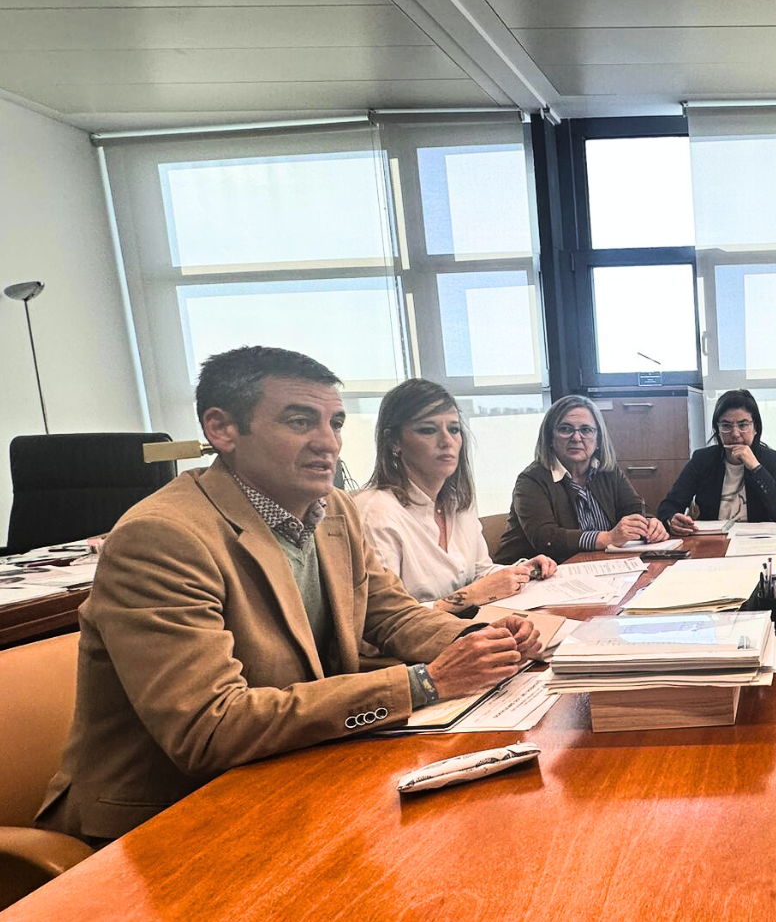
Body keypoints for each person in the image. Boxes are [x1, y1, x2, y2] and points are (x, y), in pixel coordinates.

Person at [38, 347, 541, 843]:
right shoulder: (162, 538)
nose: (329, 443)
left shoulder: (335, 512)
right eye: (301, 422)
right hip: (170, 821)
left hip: (295, 777)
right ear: (222, 430)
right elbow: (210, 730)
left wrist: (484, 638)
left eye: (336, 424)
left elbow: (390, 617)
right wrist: (423, 684)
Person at [353, 378, 556, 616]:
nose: (446, 441)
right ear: (393, 442)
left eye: (454, 429)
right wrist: (471, 596)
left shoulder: (458, 503)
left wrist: (519, 572)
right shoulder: (376, 513)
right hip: (410, 650)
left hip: (464, 630)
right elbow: (384, 621)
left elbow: (479, 573)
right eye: (428, 430)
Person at [495, 395, 667, 562]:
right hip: (530, 577)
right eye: (565, 429)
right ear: (549, 438)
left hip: (597, 567)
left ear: (598, 438)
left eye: (586, 430)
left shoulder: (608, 471)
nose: (576, 438)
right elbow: (546, 538)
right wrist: (608, 538)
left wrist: (650, 525)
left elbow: (634, 509)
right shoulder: (531, 480)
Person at [658, 389, 776, 534]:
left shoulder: (773, 460)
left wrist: (756, 468)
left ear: (755, 428)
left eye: (743, 425)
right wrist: (671, 519)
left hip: (758, 540)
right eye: (726, 426)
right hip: (712, 541)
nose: (735, 434)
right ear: (717, 429)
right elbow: (669, 506)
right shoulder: (702, 460)